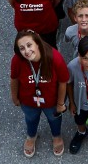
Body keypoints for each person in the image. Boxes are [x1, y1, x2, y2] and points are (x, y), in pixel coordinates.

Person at [9, 29, 68, 157]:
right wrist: (14, 97)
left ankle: (56, 136)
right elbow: (14, 79)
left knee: (54, 119)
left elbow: (63, 82)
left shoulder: (55, 58)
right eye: (22, 48)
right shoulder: (17, 60)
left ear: (37, 43)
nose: (26, 51)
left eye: (29, 45)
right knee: (30, 118)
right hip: (28, 100)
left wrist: (60, 103)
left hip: (51, 101)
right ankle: (31, 136)